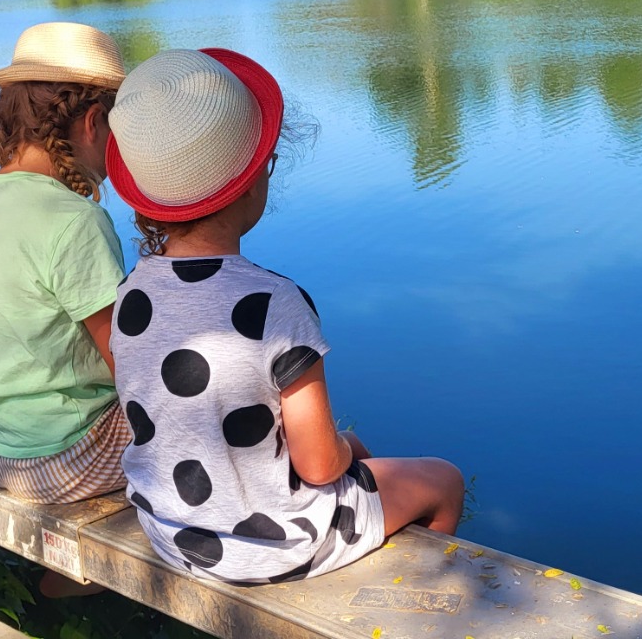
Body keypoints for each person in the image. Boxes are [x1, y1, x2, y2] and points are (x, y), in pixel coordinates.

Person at [106, 48, 465, 584]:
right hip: (270, 549)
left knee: (359, 453)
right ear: (252, 181)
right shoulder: (276, 303)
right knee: (444, 480)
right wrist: (343, 448)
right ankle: (402, 600)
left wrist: (349, 450)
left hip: (171, 533)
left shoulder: (129, 295)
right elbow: (319, 465)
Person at [0, 22, 128, 505]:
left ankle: (61, 580)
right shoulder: (76, 221)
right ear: (92, 122)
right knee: (200, 404)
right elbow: (127, 364)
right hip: (60, 458)